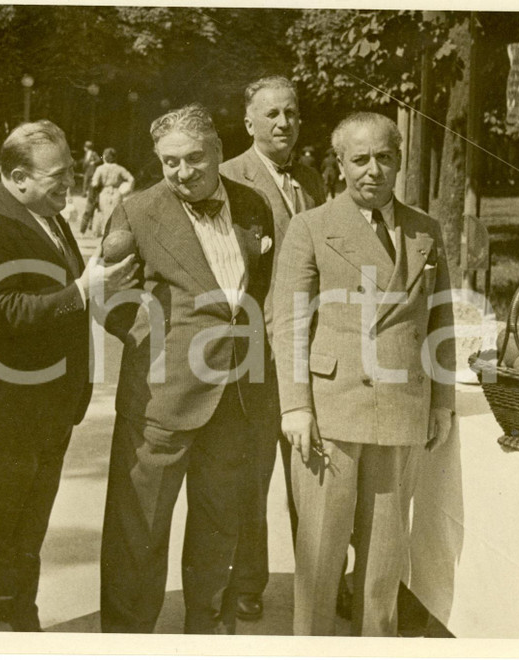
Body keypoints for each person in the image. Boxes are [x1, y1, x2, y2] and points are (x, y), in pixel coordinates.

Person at [0, 121, 137, 631]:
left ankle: (23, 634)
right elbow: (5, 312)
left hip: (46, 416)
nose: (72, 181)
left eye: (73, 167)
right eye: (59, 174)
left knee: (24, 545)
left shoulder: (45, 214)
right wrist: (84, 288)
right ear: (17, 177)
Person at [273, 112, 456, 636]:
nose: (372, 170)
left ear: (399, 161)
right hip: (332, 410)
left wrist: (440, 399)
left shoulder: (427, 230)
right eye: (359, 159)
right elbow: (285, 321)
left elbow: (440, 318)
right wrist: (295, 406)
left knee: (385, 557)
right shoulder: (310, 226)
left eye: (384, 157)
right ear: (340, 164)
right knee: (320, 556)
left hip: (401, 407)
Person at [99, 103, 275, 635]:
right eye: (169, 162)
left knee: (221, 522)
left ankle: (208, 630)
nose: (182, 172)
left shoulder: (253, 205)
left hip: (235, 398)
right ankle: (128, 640)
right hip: (162, 398)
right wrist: (161, 345)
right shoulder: (136, 212)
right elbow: (109, 299)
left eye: (195, 159)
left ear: (219, 153)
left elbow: (256, 286)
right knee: (140, 531)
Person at [218, 75, 324, 621]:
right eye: (273, 114)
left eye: (292, 112)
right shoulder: (226, 178)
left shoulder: (311, 179)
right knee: (252, 472)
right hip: (256, 352)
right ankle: (247, 581)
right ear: (249, 123)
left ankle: (319, 580)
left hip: (311, 349)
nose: (284, 123)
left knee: (312, 474)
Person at [87, 147, 134, 237]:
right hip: (117, 194)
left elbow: (95, 183)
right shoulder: (120, 169)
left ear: (104, 157)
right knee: (115, 216)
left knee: (104, 215)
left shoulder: (100, 169)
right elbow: (131, 179)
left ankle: (104, 236)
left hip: (104, 193)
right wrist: (127, 190)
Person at [77, 140, 103, 234]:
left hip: (91, 172)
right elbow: (85, 162)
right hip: (87, 172)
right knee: (85, 183)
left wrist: (94, 163)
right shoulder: (87, 154)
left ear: (87, 147)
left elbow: (100, 159)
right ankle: (84, 192)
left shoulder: (94, 153)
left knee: (88, 185)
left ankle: (88, 225)